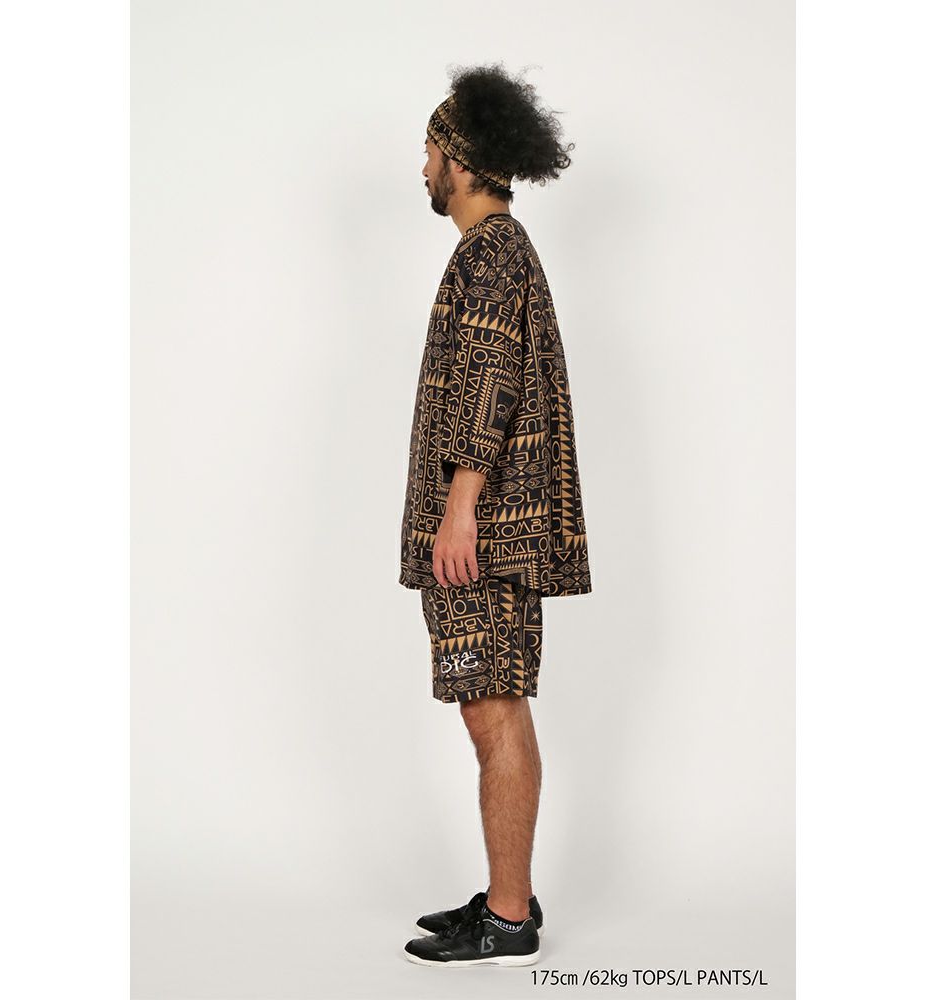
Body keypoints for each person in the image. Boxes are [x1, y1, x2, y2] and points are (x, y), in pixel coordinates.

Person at [399, 62, 592, 968]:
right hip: (497, 528)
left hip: (487, 534)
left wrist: (460, 509)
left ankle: (509, 917)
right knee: (493, 704)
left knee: (492, 710)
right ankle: (507, 892)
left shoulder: (489, 253)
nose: (423, 168)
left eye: (430, 152)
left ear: (463, 159)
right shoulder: (499, 251)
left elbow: (489, 383)